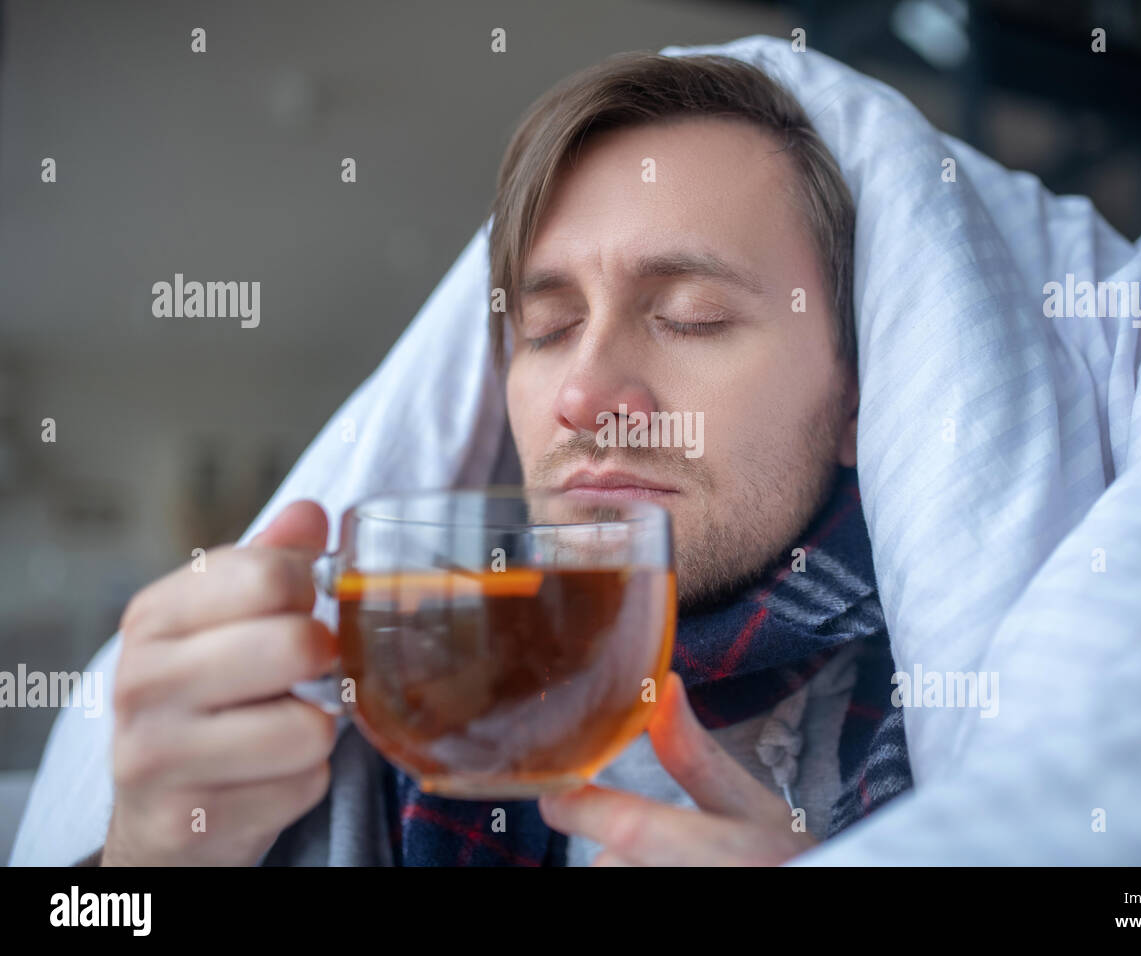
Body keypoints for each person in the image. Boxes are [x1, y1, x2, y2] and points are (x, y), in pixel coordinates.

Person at [91, 51, 910, 867]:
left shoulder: (965, 738)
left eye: (692, 317)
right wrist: (140, 861)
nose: (581, 397)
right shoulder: (362, 729)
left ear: (855, 399)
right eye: (547, 331)